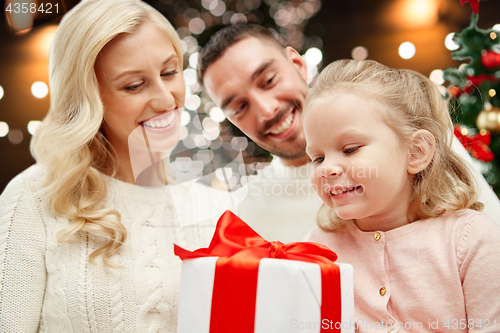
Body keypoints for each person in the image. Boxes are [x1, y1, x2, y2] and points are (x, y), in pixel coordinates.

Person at [0, 0, 232, 331]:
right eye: (134, 85)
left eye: (169, 72)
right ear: (88, 97)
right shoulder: (34, 199)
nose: (167, 100)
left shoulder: (213, 208)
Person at [198, 23, 500, 242]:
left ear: (297, 63)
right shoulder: (248, 217)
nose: (265, 110)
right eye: (239, 106)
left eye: (268, 80)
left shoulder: (408, 131)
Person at [302, 59, 500, 332]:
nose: (327, 169)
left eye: (350, 149)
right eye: (317, 157)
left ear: (416, 152)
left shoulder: (469, 240)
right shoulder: (317, 251)